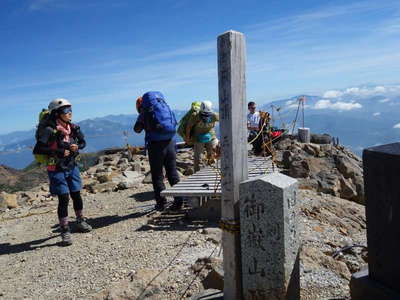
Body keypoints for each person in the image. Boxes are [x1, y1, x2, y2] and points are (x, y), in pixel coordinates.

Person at [33, 98, 92, 246]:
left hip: (71, 166)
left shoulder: (73, 128)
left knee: (76, 194)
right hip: (56, 168)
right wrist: (59, 151)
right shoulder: (49, 130)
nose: (69, 113)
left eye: (70, 109)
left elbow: (83, 143)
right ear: (56, 113)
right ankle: (65, 230)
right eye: (65, 110)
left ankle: (80, 221)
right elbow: (38, 149)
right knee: (64, 198)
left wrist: (76, 147)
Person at [133, 91, 183, 211]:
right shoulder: (165, 108)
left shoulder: (144, 112)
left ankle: (161, 203)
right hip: (170, 143)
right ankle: (179, 200)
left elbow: (137, 129)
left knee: (157, 175)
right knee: (172, 172)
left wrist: (142, 119)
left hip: (155, 146)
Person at [185, 101, 219, 172]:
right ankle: (197, 173)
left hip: (211, 137)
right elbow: (189, 127)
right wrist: (187, 138)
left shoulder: (214, 115)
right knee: (198, 159)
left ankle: (213, 171)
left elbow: (224, 119)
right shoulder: (195, 115)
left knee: (213, 156)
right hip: (199, 139)